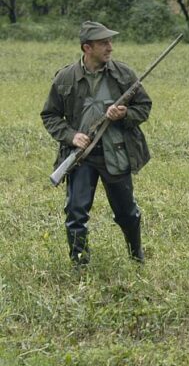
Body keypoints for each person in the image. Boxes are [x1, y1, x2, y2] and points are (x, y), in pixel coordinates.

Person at [41, 21, 152, 266]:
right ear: (87, 48)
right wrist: (71, 136)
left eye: (110, 42)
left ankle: (136, 258)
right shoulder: (65, 77)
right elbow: (49, 115)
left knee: (127, 213)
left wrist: (124, 114)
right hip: (82, 157)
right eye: (104, 43)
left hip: (117, 154)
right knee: (76, 213)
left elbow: (144, 107)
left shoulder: (124, 74)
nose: (110, 47)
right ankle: (80, 265)